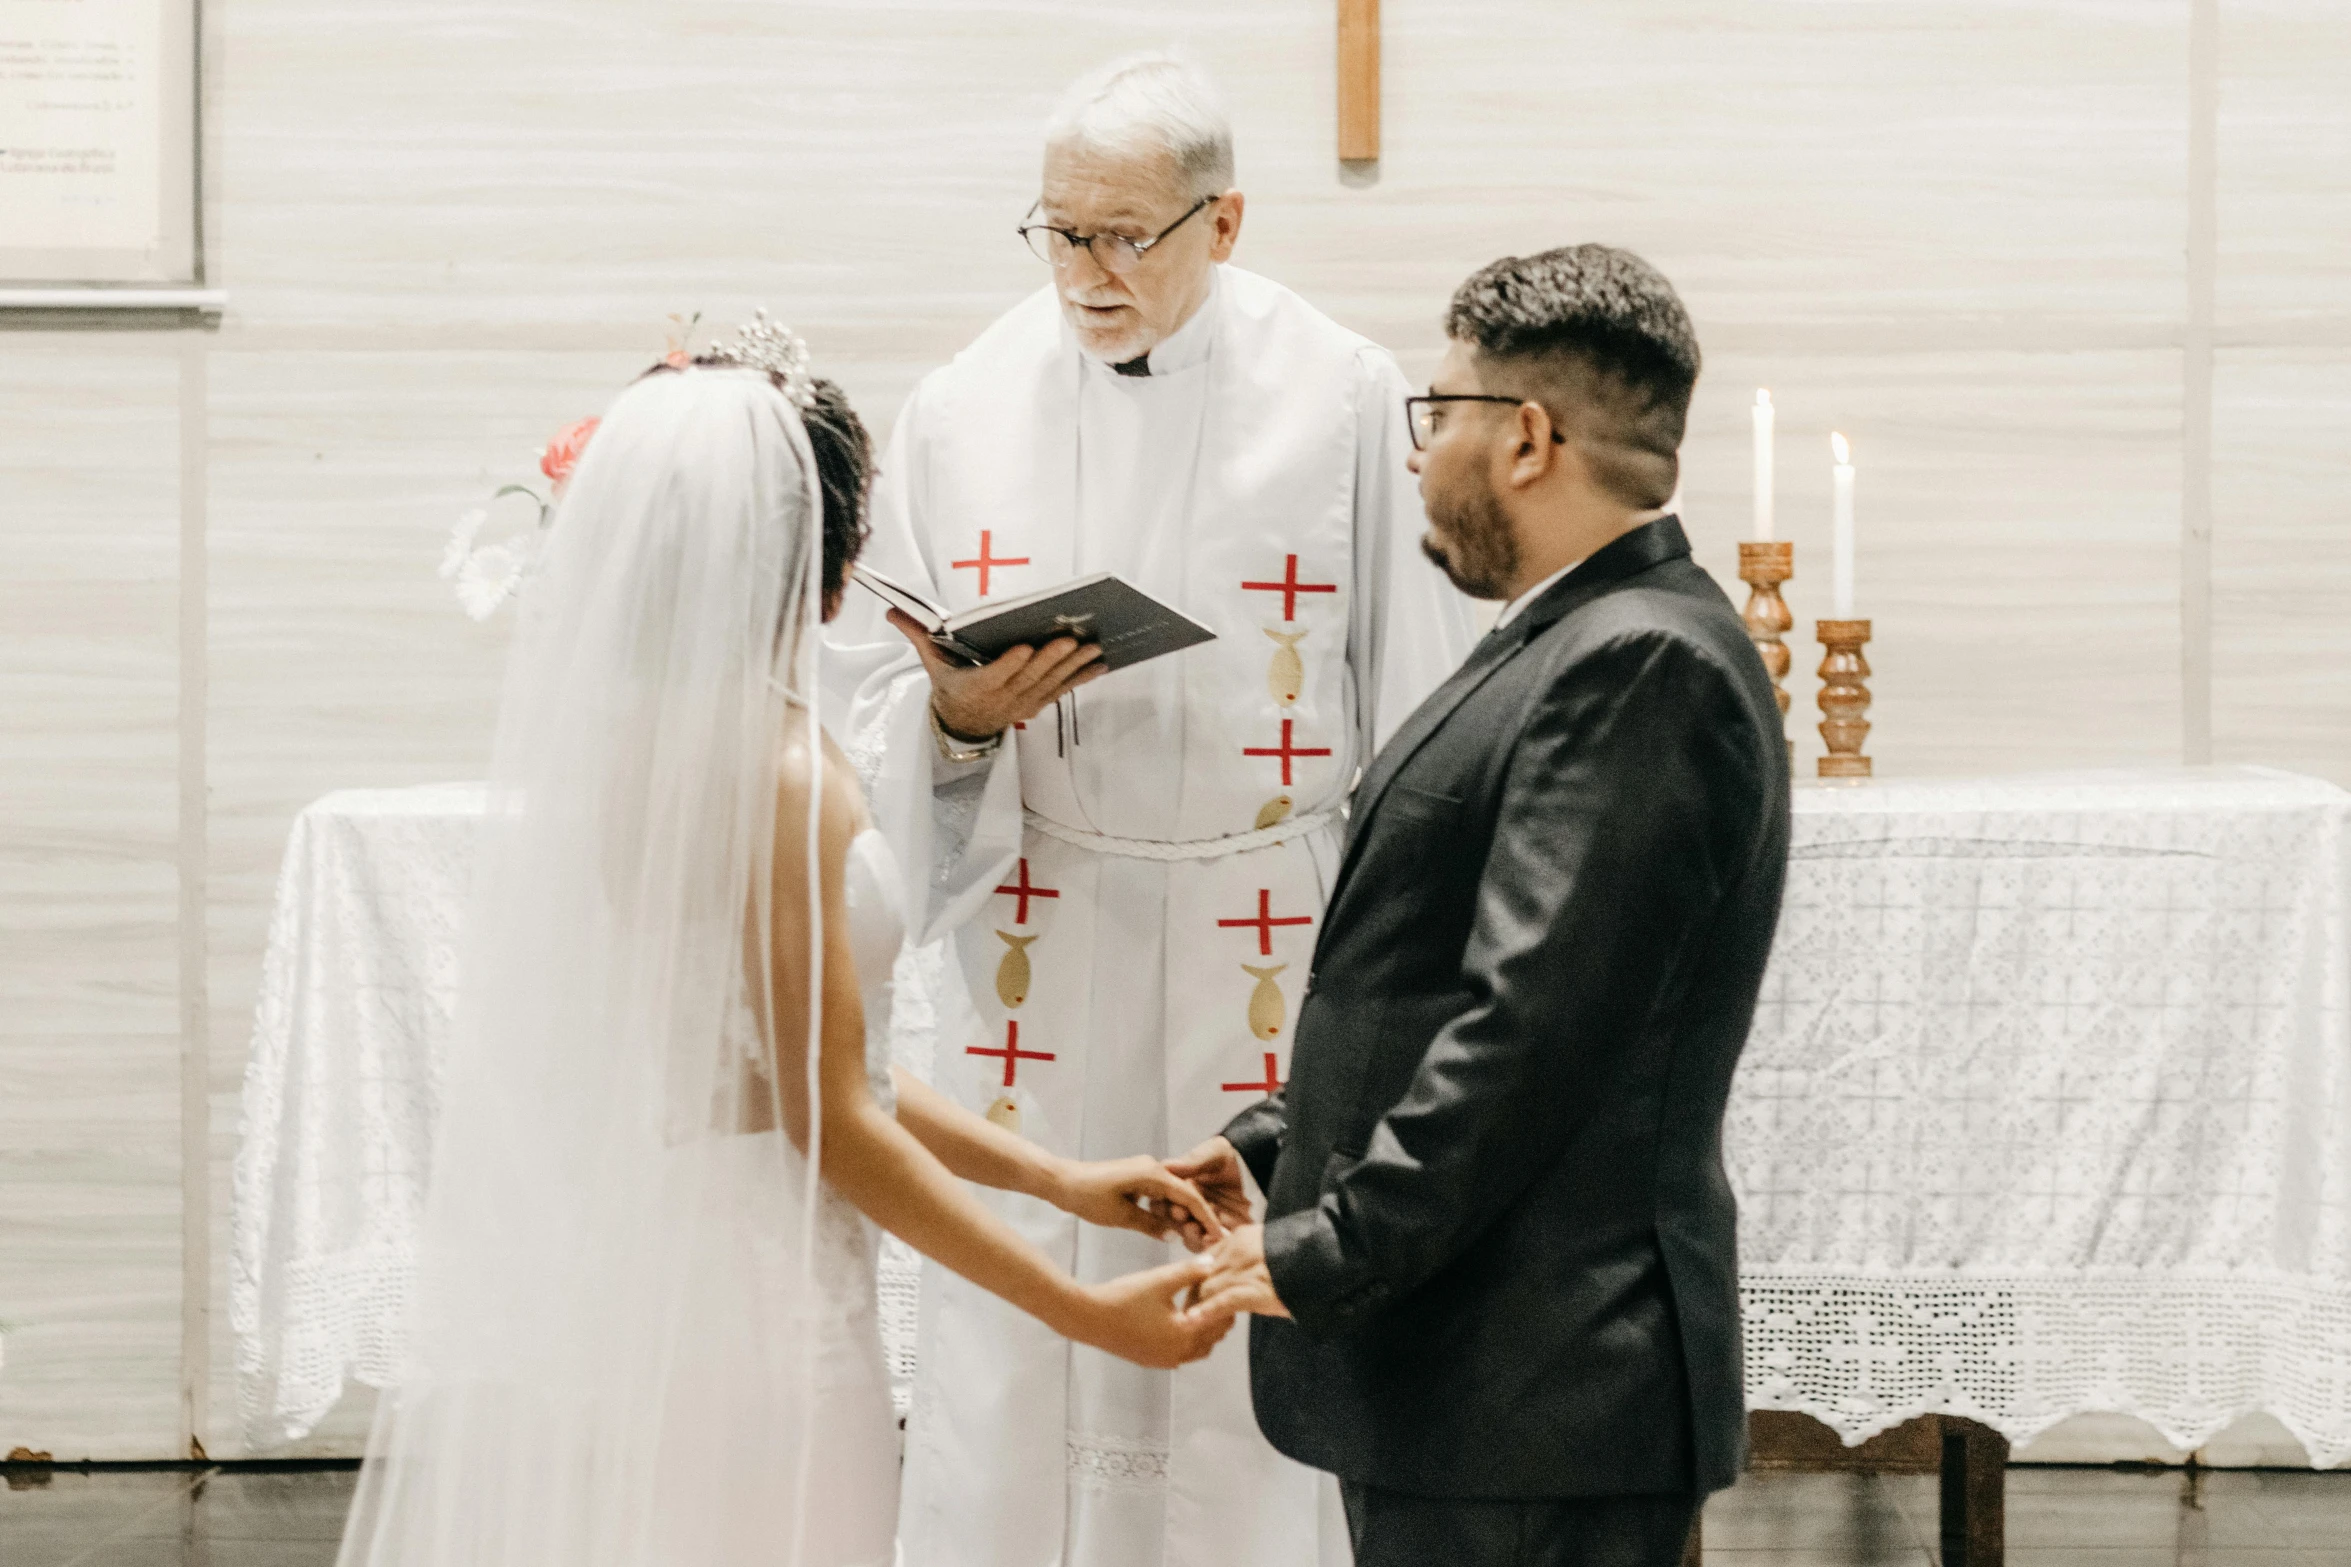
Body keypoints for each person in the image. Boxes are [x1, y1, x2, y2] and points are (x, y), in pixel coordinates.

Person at [335, 332, 1231, 1567]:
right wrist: (1078, 1309)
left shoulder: (645, 753)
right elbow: (827, 1112)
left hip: (681, 1257)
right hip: (763, 1302)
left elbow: (801, 1057)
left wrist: (1057, 1181)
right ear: (834, 567)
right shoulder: (777, 774)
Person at [824, 52, 1474, 1567]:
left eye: (1126, 234)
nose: (1087, 271)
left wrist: (1392, 962)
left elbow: (1421, 694)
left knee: (1249, 1285)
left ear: (1223, 220)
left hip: (1268, 921)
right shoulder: (961, 401)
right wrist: (952, 717)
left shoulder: (1344, 392)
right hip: (1036, 929)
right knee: (1019, 1305)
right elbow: (881, 683)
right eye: (1059, 230)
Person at [1179, 245, 1793, 1567]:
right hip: (1488, 1380)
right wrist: (1269, 1149)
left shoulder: (1636, 661)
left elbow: (1530, 1026)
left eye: (1435, 411)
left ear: (1523, 437)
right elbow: (1449, 976)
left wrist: (1332, 1244)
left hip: (1538, 1383)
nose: (1418, 454)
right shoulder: (1574, 636)